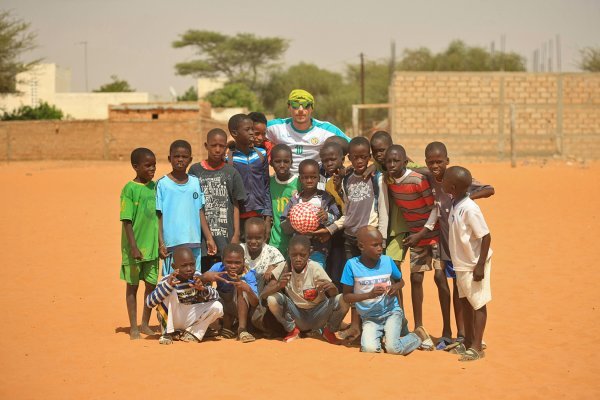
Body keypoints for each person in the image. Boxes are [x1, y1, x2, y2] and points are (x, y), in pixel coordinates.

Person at [424, 141, 495, 349]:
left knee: (469, 296)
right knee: (455, 291)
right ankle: (460, 336)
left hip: (467, 255)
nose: (435, 167)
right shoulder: (438, 185)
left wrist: (466, 198)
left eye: (439, 162)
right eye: (431, 162)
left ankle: (471, 340)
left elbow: (490, 190)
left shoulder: (462, 193)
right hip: (453, 252)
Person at [385, 144, 448, 349]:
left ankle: (448, 329)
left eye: (396, 161)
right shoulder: (388, 180)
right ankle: (419, 326)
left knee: (440, 278)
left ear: (406, 162)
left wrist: (422, 232)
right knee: (416, 278)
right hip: (416, 236)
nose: (392, 165)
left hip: (433, 233)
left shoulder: (418, 180)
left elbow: (434, 209)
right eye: (389, 161)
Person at [341, 226, 424, 355]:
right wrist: (369, 295)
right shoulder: (351, 265)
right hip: (370, 317)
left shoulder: (387, 261)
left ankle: (417, 336)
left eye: (381, 244)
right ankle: (383, 337)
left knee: (393, 349)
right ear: (361, 247)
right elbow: (346, 296)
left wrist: (395, 287)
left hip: (391, 312)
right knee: (369, 349)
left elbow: (401, 281)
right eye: (375, 245)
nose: (380, 248)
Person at [443, 166, 493, 362]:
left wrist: (480, 265)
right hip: (461, 264)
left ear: (452, 187)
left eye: (445, 180)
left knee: (478, 303)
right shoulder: (456, 202)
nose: (443, 181)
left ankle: (477, 346)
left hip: (473, 265)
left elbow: (486, 236)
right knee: (465, 302)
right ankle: (468, 340)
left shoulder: (470, 209)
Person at [261, 235, 349, 344]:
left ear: (309, 253)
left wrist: (332, 288)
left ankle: (329, 330)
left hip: (319, 313)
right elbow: (264, 295)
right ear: (288, 253)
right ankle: (292, 330)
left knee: (344, 299)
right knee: (272, 299)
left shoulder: (315, 267)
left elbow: (333, 294)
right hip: (297, 314)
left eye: (302, 255)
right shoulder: (284, 267)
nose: (298, 259)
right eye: (294, 255)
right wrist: (279, 285)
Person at [188, 128, 247, 272]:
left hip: (226, 237)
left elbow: (236, 204)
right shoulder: (195, 171)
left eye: (222, 146)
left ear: (226, 148)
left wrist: (236, 234)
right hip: (201, 239)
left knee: (226, 283)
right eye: (213, 145)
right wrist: (207, 237)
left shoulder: (231, 172)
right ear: (206, 146)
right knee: (204, 280)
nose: (217, 149)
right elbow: (194, 205)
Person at [156, 140, 216, 276]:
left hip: (193, 241)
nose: (180, 160)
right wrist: (161, 243)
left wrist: (209, 238)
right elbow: (159, 216)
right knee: (172, 283)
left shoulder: (195, 182)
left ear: (190, 159)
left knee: (194, 281)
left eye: (184, 157)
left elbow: (200, 211)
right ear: (169, 159)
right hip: (172, 244)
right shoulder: (162, 184)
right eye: (176, 156)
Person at [145, 247, 224, 345]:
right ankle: (167, 333)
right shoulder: (167, 279)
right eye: (184, 266)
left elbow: (216, 297)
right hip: (173, 318)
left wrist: (202, 289)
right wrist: (167, 286)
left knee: (218, 307)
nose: (189, 269)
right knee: (171, 291)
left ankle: (193, 333)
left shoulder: (197, 276)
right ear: (174, 266)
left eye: (192, 264)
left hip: (190, 318)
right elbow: (149, 303)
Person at [120, 147, 159, 340]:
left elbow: (158, 217)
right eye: (147, 165)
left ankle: (145, 323)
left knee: (151, 285)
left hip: (152, 248)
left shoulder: (154, 187)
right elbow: (126, 221)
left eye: (154, 165)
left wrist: (160, 243)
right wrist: (133, 247)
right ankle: (133, 325)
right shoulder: (129, 189)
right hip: (134, 249)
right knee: (132, 286)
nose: (152, 169)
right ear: (135, 167)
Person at [266, 89, 350, 175]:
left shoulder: (326, 129)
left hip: (314, 182)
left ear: (312, 108)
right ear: (289, 106)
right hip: (285, 182)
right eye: (295, 104)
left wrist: (351, 168)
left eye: (306, 105)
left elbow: (354, 145)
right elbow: (253, 130)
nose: (301, 109)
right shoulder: (275, 127)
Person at [281, 159, 341, 267]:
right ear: (300, 179)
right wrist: (290, 221)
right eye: (305, 177)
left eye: (313, 177)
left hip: (319, 248)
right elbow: (284, 226)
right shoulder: (295, 200)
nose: (309, 180)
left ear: (319, 178)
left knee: (317, 275)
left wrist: (327, 216)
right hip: (297, 250)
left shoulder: (325, 198)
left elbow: (337, 218)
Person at [227, 114, 273, 241]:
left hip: (259, 215)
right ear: (234, 133)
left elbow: (266, 186)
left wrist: (268, 217)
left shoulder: (261, 154)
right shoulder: (229, 159)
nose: (252, 133)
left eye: (252, 129)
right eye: (248, 130)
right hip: (238, 217)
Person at [208, 243, 260, 343]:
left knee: (242, 285)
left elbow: (255, 303)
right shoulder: (218, 268)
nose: (233, 266)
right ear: (222, 260)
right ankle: (223, 327)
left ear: (244, 262)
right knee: (208, 291)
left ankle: (242, 329)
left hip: (240, 310)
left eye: (237, 263)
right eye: (229, 262)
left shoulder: (249, 275)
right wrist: (208, 277)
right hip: (223, 307)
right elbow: (202, 280)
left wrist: (247, 289)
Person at [318, 141, 346, 288]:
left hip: (350, 233)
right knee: (333, 272)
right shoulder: (329, 185)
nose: (328, 163)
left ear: (343, 159)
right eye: (324, 161)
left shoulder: (351, 178)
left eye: (332, 160)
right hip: (336, 235)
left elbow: (350, 210)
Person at [269, 144, 300, 256]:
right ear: (271, 163)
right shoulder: (269, 182)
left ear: (291, 162)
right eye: (278, 161)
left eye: (286, 161)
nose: (282, 165)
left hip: (295, 242)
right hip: (275, 241)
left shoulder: (299, 182)